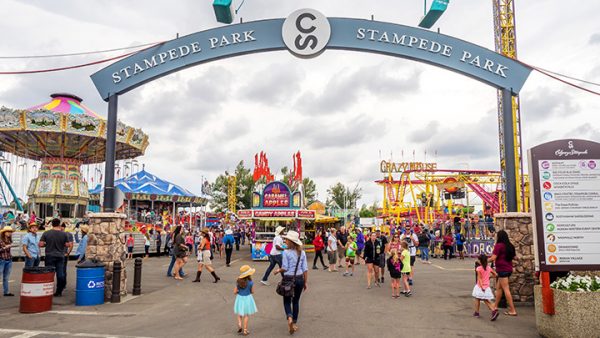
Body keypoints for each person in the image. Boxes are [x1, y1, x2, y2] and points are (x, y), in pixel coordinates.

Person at [274, 230, 308, 335]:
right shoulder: (302, 253)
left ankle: (289, 316)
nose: (285, 240)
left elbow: (284, 268)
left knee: (287, 301)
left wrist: (278, 270)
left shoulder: (286, 252)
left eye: (286, 239)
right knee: (296, 301)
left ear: (290, 241)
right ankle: (294, 323)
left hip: (288, 279)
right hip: (299, 279)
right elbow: (305, 269)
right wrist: (305, 282)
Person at [39, 218, 72, 297]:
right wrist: (62, 244)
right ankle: (59, 291)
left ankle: (48, 290)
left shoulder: (46, 233)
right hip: (60, 256)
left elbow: (40, 244)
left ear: (52, 224)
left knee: (49, 273)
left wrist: (47, 244)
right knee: (60, 274)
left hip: (49, 255)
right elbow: (68, 244)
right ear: (59, 224)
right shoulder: (64, 234)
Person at [489, 230, 517, 317]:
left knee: (505, 289)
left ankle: (512, 310)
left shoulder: (499, 246)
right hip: (508, 269)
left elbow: (493, 258)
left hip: (502, 269)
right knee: (499, 288)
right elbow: (515, 257)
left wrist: (483, 260)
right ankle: (495, 306)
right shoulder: (510, 246)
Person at [473, 254, 499, 320]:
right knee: (480, 298)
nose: (477, 260)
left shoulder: (478, 268)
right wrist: (489, 277)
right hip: (487, 286)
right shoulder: (489, 268)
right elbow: (496, 274)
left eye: (478, 259)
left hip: (480, 286)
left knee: (482, 299)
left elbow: (480, 279)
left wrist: (482, 287)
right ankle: (477, 312)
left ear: (480, 261)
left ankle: (493, 311)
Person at [234, 265, 258, 336]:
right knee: (246, 315)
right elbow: (252, 291)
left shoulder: (238, 281)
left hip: (240, 298)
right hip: (248, 298)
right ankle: (245, 330)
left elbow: (234, 292)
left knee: (239, 313)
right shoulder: (250, 282)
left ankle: (239, 324)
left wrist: (238, 291)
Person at [0, 226, 15, 296]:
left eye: (10, 232)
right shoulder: (0, 240)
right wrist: (5, 247)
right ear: (4, 232)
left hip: (8, 259)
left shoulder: (9, 240)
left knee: (6, 277)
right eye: (8, 232)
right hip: (1, 260)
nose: (9, 233)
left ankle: (6, 292)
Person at [60, 222, 74, 291]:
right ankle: (62, 284)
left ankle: (62, 285)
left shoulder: (67, 234)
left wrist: (67, 253)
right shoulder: (69, 234)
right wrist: (68, 253)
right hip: (63, 254)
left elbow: (71, 245)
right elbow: (71, 245)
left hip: (62, 254)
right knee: (63, 270)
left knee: (61, 270)